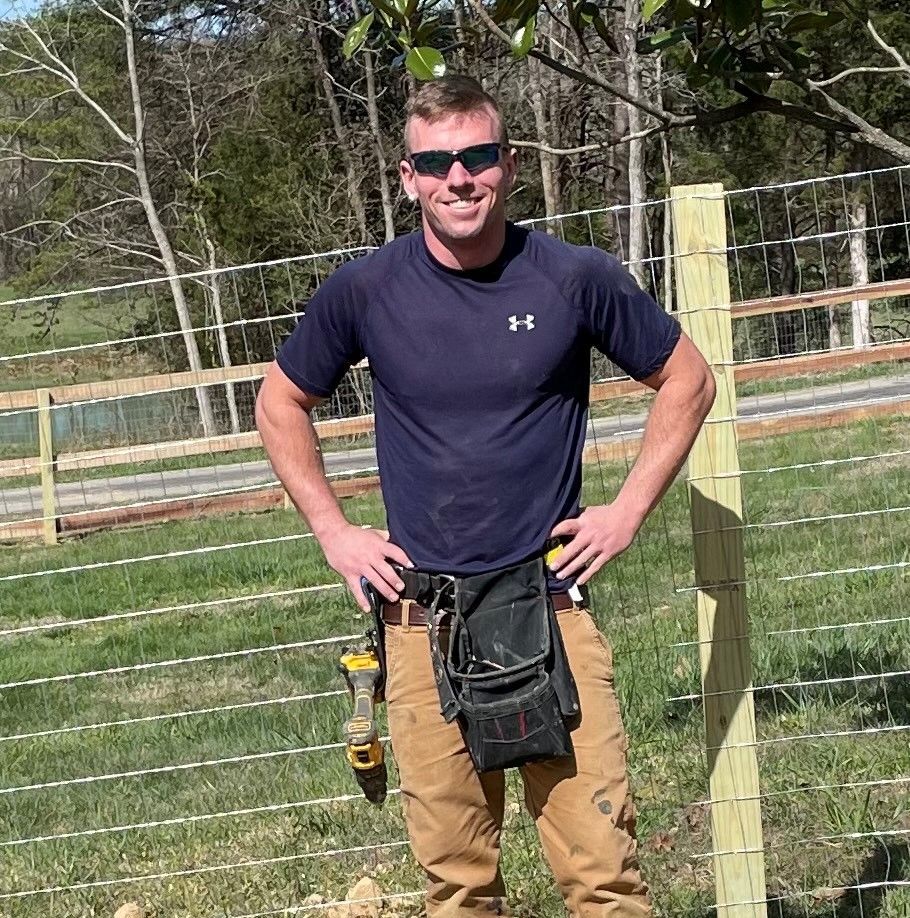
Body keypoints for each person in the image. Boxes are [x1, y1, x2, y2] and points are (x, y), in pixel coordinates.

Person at [256, 75, 714, 917]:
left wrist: (626, 512)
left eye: (476, 156)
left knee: (605, 878)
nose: (458, 178)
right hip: (420, 619)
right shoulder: (366, 291)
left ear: (508, 164)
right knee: (458, 889)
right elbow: (279, 399)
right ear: (408, 178)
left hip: (550, 608)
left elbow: (686, 377)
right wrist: (333, 531)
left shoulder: (573, 277)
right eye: (437, 162)